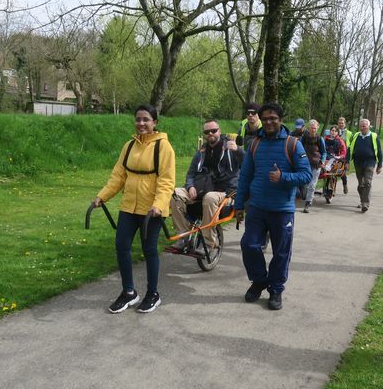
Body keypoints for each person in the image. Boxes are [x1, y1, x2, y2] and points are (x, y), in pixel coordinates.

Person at [93, 104, 176, 314]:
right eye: (138, 119)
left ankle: (153, 294)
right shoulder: (129, 146)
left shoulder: (163, 147)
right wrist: (102, 196)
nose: (141, 123)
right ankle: (129, 292)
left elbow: (167, 181)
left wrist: (158, 205)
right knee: (121, 246)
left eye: (146, 119)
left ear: (154, 122)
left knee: (149, 250)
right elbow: (118, 176)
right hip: (129, 206)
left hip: (152, 211)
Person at [234, 102, 312, 310]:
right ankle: (259, 280)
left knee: (281, 252)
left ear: (280, 120)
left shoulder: (293, 144)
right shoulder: (255, 144)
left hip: (282, 210)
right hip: (257, 207)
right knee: (248, 245)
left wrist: (283, 177)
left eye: (273, 118)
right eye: (265, 118)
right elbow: (245, 177)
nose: (268, 122)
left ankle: (276, 289)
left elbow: (307, 175)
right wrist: (239, 204)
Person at [170, 119, 244, 254]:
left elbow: (248, 165)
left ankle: (209, 243)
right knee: (175, 193)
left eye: (213, 130)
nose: (210, 133)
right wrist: (190, 186)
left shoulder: (230, 147)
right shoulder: (201, 151)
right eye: (207, 132)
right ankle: (183, 237)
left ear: (219, 131)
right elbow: (191, 173)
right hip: (202, 187)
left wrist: (238, 150)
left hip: (225, 192)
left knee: (210, 197)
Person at [346, 118, 383, 213]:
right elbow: (350, 150)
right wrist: (347, 162)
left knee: (367, 183)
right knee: (360, 185)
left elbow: (379, 151)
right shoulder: (356, 136)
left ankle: (365, 204)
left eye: (364, 125)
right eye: (361, 125)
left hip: (370, 162)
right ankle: (363, 201)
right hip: (358, 163)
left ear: (368, 126)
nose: (363, 127)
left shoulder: (374, 136)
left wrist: (380, 165)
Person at [300, 119, 326, 213]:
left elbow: (324, 152)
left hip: (316, 164)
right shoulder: (304, 137)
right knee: (305, 183)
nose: (313, 129)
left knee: (312, 185)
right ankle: (306, 197)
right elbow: (299, 148)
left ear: (317, 128)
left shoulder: (320, 139)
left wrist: (322, 161)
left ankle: (308, 202)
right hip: (305, 164)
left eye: (315, 128)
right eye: (311, 128)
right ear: (308, 128)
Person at [322, 125, 347, 200]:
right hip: (326, 159)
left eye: (335, 131)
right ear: (330, 131)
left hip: (337, 159)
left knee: (341, 172)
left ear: (337, 132)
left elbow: (344, 152)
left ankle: (344, 184)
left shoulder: (340, 141)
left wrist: (340, 156)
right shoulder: (325, 139)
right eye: (332, 130)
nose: (333, 132)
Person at [337, 117, 353, 194]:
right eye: (339, 123)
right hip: (335, 154)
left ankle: (345, 185)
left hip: (344, 155)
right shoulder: (334, 131)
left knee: (342, 173)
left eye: (342, 123)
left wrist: (348, 160)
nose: (341, 124)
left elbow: (350, 146)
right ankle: (331, 188)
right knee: (332, 172)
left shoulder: (349, 133)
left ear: (345, 124)